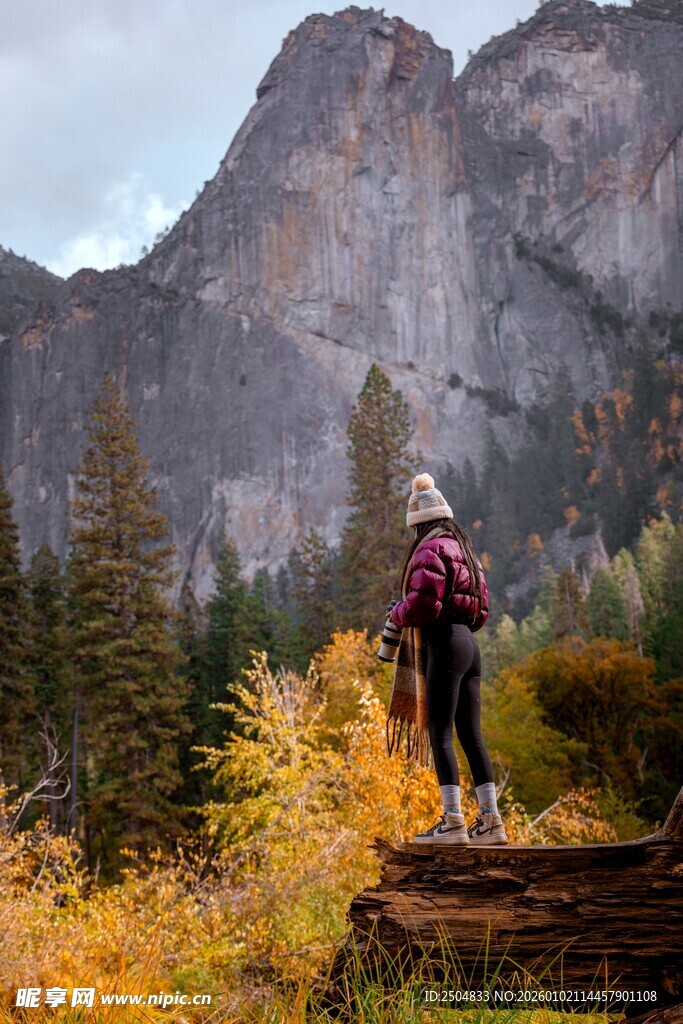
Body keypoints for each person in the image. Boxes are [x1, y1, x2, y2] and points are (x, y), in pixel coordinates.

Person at [386, 472, 508, 846]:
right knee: (472, 736)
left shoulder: (429, 549)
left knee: (440, 733)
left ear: (418, 524)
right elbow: (482, 610)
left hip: (444, 645)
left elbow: (423, 603)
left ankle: (453, 821)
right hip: (470, 645)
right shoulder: (465, 549)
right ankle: (491, 822)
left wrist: (397, 613)